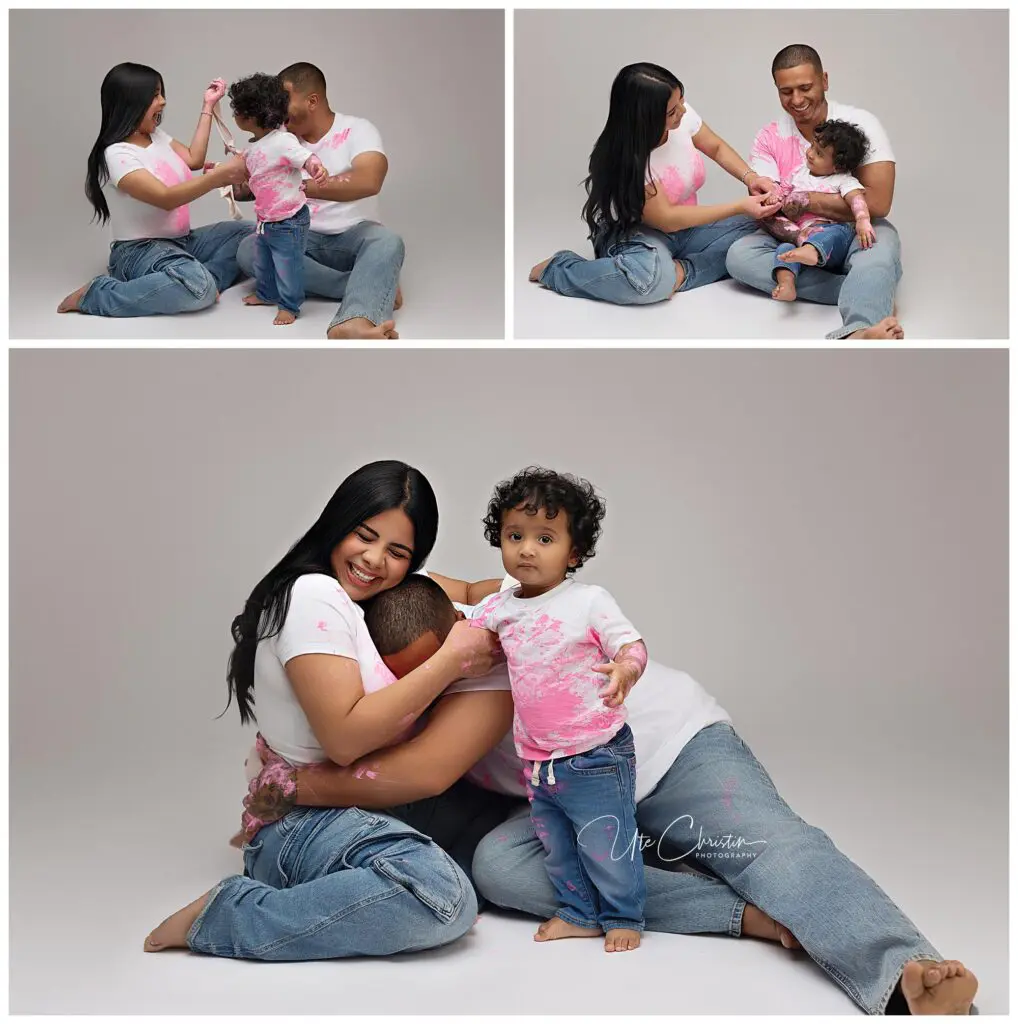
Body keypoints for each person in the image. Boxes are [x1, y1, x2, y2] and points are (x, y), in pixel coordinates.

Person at [241, 572, 979, 1014]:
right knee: (499, 867)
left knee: (774, 849)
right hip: (567, 796)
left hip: (671, 752)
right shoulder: (407, 634)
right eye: (404, 675)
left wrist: (287, 786)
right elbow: (436, 602)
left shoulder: (492, 655)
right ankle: (738, 914)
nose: (422, 685)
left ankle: (905, 971)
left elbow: (427, 772)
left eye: (439, 666)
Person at [142, 460, 504, 960]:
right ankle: (229, 914)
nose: (375, 560)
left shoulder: (363, 595)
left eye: (397, 552)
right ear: (338, 523)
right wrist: (450, 662)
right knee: (444, 899)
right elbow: (344, 739)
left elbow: (463, 590)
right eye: (364, 535)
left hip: (353, 803)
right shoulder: (315, 593)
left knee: (510, 830)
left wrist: (540, 593)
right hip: (305, 820)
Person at [473, 469, 649, 951]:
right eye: (515, 536)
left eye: (544, 538)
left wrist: (625, 670)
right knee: (557, 849)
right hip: (539, 761)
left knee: (606, 845)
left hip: (595, 755)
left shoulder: (588, 601)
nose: (527, 549)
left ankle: (624, 916)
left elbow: (631, 644)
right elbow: (464, 622)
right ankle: (579, 913)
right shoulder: (501, 607)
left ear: (573, 553)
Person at [528, 62, 782, 306]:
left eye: (681, 101)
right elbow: (666, 219)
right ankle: (559, 269)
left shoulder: (680, 116)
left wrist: (751, 177)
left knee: (767, 227)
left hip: (688, 227)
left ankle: (678, 271)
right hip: (635, 234)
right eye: (672, 111)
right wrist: (740, 205)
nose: (682, 112)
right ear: (645, 119)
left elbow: (715, 147)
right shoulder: (629, 158)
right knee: (648, 281)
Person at [725, 44, 904, 339]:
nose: (796, 100)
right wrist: (780, 204)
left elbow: (879, 203)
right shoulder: (769, 137)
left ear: (825, 81)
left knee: (877, 252)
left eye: (805, 87)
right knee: (740, 256)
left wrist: (807, 199)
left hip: (853, 228)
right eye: (786, 91)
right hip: (797, 233)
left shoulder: (860, 124)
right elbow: (771, 203)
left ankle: (860, 330)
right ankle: (868, 289)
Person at [58, 63, 253, 317]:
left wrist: (207, 106)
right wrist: (220, 176)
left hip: (182, 242)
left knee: (248, 234)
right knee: (200, 288)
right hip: (138, 250)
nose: (162, 102)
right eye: (154, 95)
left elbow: (193, 159)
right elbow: (165, 199)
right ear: (131, 102)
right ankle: (96, 294)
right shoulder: (117, 154)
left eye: (161, 93)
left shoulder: (156, 135)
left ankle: (203, 280)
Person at [234, 62, 404, 340]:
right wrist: (233, 177)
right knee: (248, 248)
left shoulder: (357, 129)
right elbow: (251, 190)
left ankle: (355, 319)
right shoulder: (278, 140)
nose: (274, 105)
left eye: (283, 97)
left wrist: (294, 187)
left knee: (387, 242)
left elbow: (369, 180)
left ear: (312, 101)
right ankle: (370, 283)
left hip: (352, 235)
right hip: (300, 236)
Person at [227, 73, 329, 325]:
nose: (234, 116)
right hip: (266, 220)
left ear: (249, 116)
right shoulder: (253, 148)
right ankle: (267, 293)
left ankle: (290, 305)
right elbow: (251, 173)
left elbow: (303, 156)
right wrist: (219, 168)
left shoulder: (283, 140)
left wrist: (315, 166)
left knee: (288, 266)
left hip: (289, 221)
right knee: (264, 263)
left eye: (236, 111)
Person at [765, 119, 877, 301]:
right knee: (784, 250)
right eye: (812, 146)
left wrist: (862, 220)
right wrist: (775, 196)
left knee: (836, 232)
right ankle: (787, 284)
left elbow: (856, 198)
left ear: (837, 167)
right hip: (801, 236)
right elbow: (784, 190)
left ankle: (813, 251)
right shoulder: (799, 172)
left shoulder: (843, 180)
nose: (810, 154)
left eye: (818, 153)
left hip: (831, 236)